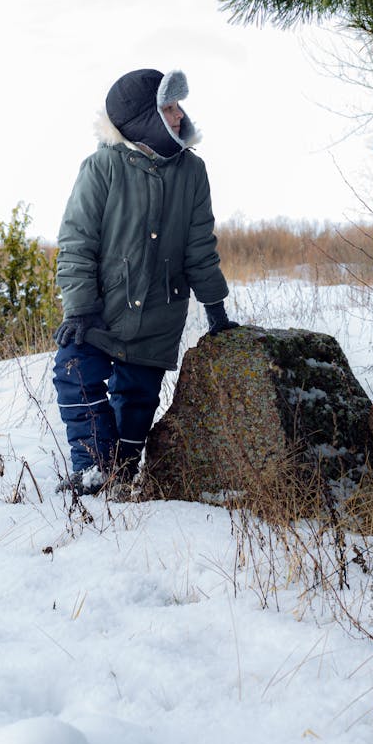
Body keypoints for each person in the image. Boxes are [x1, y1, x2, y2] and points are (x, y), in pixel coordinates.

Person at [52, 68, 238, 495]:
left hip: (159, 312)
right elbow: (77, 241)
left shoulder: (192, 172)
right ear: (143, 119)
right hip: (101, 310)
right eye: (168, 107)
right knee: (74, 372)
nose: (178, 115)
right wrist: (79, 306)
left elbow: (199, 246)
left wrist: (215, 306)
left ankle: (122, 473)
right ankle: (92, 470)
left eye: (177, 105)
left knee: (137, 402)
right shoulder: (102, 168)